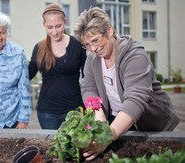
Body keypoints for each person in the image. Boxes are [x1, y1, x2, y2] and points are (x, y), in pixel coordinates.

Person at [73, 7, 180, 161]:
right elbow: (88, 87)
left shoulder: (135, 56)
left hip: (151, 125)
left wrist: (107, 137)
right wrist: (97, 110)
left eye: (96, 40)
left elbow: (135, 100)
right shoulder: (92, 58)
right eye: (87, 45)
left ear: (109, 31)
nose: (93, 49)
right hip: (118, 120)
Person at [28, 4, 86, 130]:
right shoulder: (39, 48)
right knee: (53, 148)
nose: (54, 32)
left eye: (58, 26)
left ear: (65, 22)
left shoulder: (78, 45)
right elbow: (27, 74)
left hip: (74, 109)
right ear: (44, 25)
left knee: (76, 148)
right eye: (49, 27)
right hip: (47, 113)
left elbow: (88, 77)